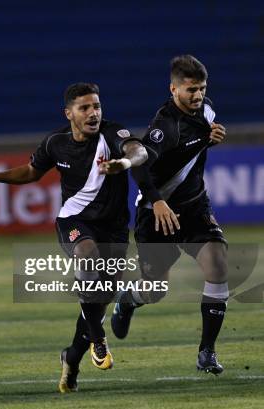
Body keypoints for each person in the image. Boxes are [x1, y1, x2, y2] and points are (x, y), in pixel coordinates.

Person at [0, 83, 148, 393]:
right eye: (85, 108)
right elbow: (31, 172)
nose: (93, 113)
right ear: (69, 114)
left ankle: (72, 358)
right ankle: (99, 340)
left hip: (115, 229)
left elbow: (139, 149)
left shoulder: (112, 134)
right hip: (73, 221)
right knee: (88, 257)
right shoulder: (56, 143)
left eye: (97, 106)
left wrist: (125, 163)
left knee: (98, 299)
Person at [111, 55, 228, 375]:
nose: (198, 95)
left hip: (194, 207)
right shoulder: (165, 127)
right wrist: (158, 202)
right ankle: (129, 299)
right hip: (156, 213)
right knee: (155, 290)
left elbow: (193, 149)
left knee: (217, 264)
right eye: (190, 89)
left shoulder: (207, 111)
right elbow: (140, 167)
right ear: (173, 89)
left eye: (201, 88)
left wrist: (212, 141)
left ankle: (207, 352)